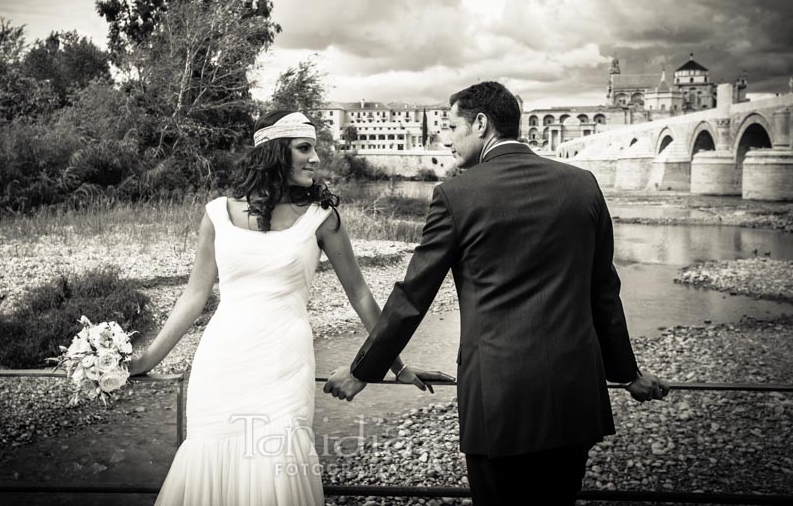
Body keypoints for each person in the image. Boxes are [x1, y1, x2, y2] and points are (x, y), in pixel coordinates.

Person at [324, 82, 670, 505]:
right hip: (574, 393)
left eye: (452, 126)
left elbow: (413, 296)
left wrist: (364, 371)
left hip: (500, 398)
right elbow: (604, 292)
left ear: (482, 124)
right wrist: (627, 374)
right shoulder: (583, 185)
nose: (446, 138)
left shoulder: (455, 195)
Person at [128, 110, 448, 506]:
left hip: (284, 367)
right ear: (274, 152)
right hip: (220, 364)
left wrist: (395, 364)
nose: (315, 158)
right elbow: (194, 298)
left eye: (315, 148)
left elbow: (360, 295)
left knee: (276, 466)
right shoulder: (216, 214)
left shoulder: (322, 218)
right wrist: (145, 361)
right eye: (304, 147)